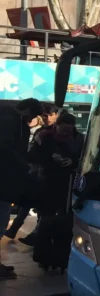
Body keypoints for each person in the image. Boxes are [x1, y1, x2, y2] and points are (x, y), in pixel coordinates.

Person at [29, 111, 82, 271]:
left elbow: (83, 157)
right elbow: (31, 156)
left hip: (68, 183)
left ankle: (60, 256)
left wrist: (72, 162)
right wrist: (50, 157)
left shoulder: (79, 138)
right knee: (46, 219)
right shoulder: (44, 135)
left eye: (68, 131)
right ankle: (44, 256)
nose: (65, 134)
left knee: (65, 221)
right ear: (56, 125)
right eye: (63, 131)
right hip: (48, 181)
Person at [0, 98, 43, 280]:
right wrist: (23, 164)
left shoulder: (8, 117)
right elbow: (8, 150)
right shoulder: (12, 122)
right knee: (1, 220)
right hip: (4, 182)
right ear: (26, 110)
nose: (31, 119)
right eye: (32, 115)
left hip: (5, 181)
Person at [5, 103, 58, 242]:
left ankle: (27, 232)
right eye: (41, 116)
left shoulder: (45, 132)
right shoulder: (23, 126)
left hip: (37, 172)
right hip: (27, 171)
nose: (44, 119)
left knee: (33, 204)